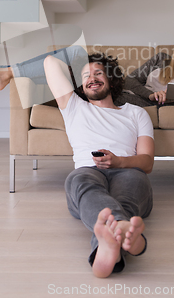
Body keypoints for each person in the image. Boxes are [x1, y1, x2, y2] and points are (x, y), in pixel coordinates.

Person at [43, 51, 154, 278]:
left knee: (128, 193)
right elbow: (49, 61)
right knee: (80, 181)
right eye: (85, 75)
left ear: (111, 78)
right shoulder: (73, 106)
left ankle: (105, 249)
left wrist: (119, 161)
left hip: (127, 170)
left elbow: (147, 162)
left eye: (98, 73)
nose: (91, 78)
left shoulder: (137, 114)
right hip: (87, 172)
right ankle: (130, 238)